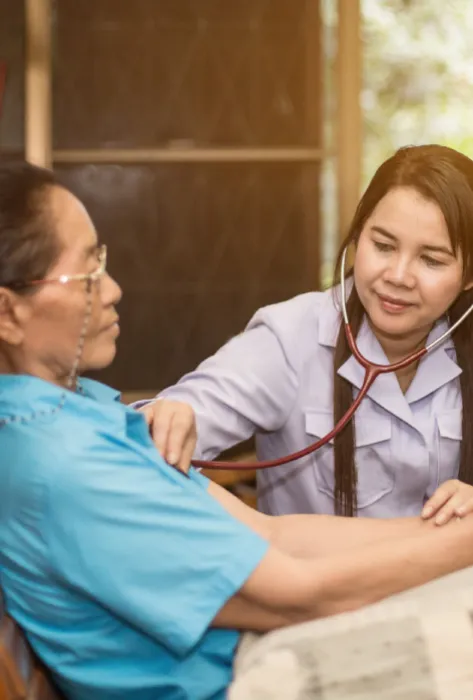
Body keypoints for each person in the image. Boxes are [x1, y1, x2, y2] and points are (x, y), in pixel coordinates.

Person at [3, 162, 473, 700]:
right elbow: (294, 591)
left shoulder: (82, 411)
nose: (398, 275)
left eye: (432, 259)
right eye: (89, 273)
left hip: (314, 616)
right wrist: (178, 411)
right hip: (267, 652)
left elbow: (271, 536)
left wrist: (458, 535)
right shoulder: (65, 462)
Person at [138, 144, 473, 522]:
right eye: (382, 246)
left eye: (431, 260)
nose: (397, 276)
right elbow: (180, 417)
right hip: (326, 581)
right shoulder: (289, 337)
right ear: (358, 237)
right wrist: (171, 417)